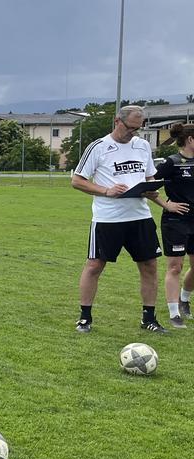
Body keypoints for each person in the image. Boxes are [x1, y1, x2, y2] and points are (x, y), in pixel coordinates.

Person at [71, 105, 167, 333]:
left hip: (140, 217)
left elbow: (150, 177)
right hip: (108, 219)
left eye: (138, 128)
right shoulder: (99, 147)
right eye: (131, 127)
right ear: (117, 121)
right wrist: (106, 191)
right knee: (94, 265)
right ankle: (85, 318)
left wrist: (154, 192)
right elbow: (77, 180)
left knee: (149, 266)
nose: (134, 132)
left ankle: (149, 319)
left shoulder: (143, 146)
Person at [151, 122, 194, 327]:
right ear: (190, 140)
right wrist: (166, 204)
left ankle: (184, 300)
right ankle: (174, 313)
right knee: (175, 267)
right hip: (176, 222)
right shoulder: (172, 162)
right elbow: (147, 185)